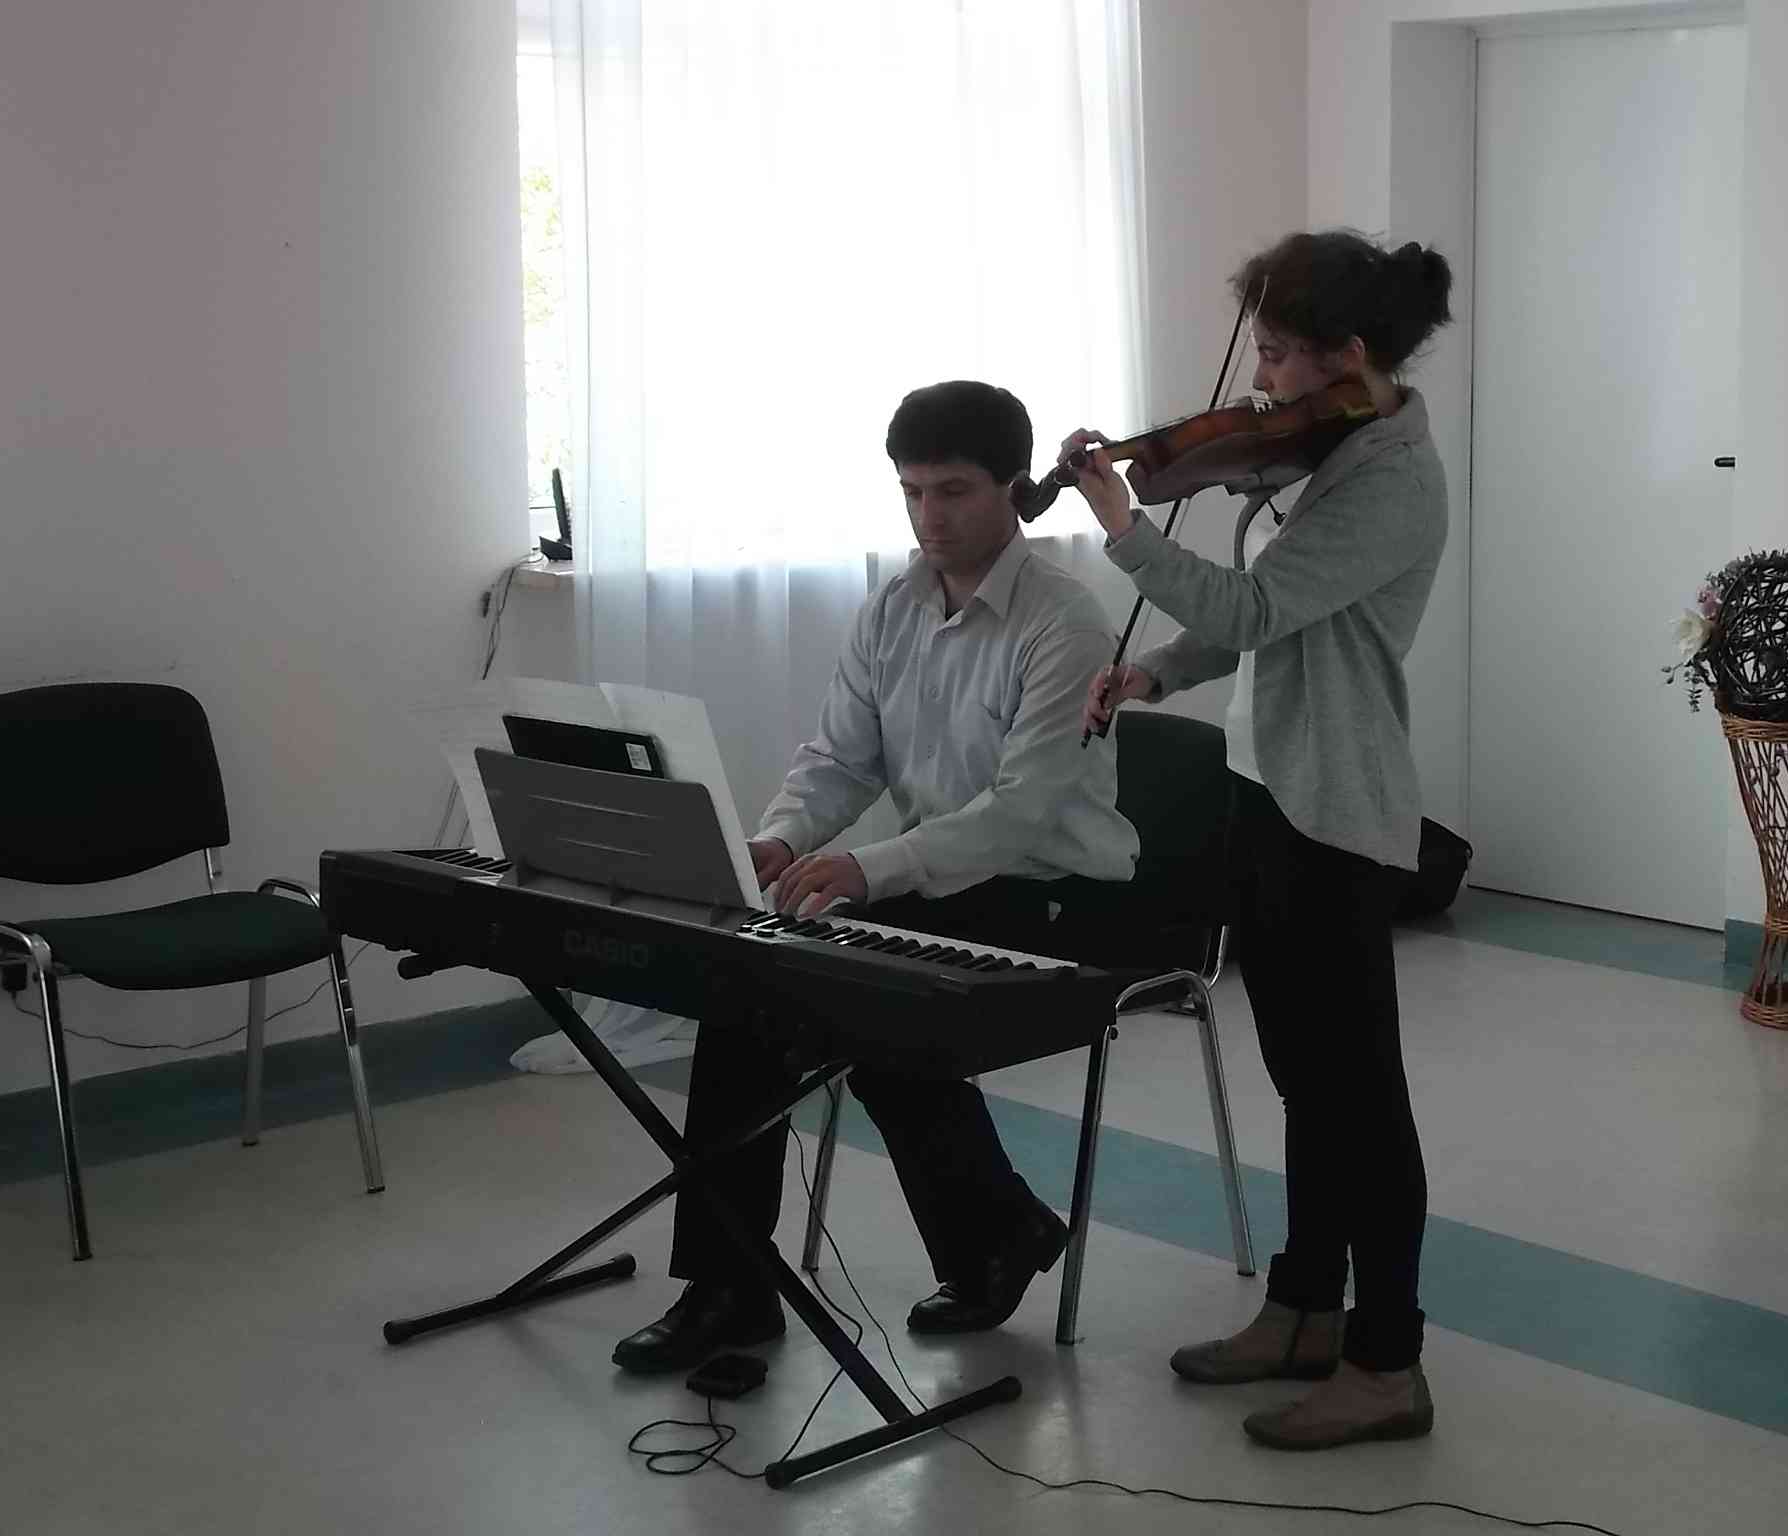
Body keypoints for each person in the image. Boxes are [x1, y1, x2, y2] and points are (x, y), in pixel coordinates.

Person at [613, 379, 1139, 1375]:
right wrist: (779, 838)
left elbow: (1020, 813)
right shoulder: (892, 607)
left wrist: (864, 867)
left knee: (859, 998)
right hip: (943, 875)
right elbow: (839, 759)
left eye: (953, 492)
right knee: (748, 987)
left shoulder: (1065, 624)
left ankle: (989, 1234)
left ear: (1012, 488)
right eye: (911, 493)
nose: (928, 518)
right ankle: (730, 1287)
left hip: (1060, 897)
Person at [1062, 230, 1453, 1451]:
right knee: (1303, 1082)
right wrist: (1155, 671)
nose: (1259, 380)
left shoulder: (1390, 478)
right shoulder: (1328, 450)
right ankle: (1301, 1309)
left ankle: (1386, 1363)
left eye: (1277, 353)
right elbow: (1260, 627)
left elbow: (1257, 604)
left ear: (1347, 354)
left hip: (1334, 808)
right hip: (1267, 785)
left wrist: (1123, 526)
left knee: (1358, 1098)